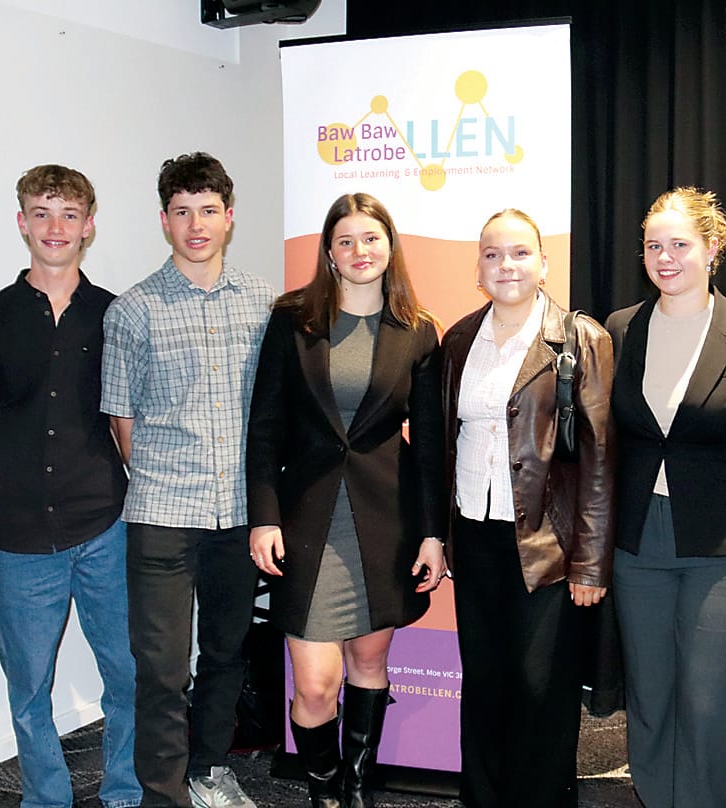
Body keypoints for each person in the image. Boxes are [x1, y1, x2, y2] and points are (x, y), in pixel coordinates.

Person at [246, 193, 446, 808]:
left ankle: (355, 791)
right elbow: (264, 428)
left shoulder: (418, 330)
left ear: (390, 246)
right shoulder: (293, 320)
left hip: (385, 521)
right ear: (330, 252)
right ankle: (324, 790)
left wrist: (433, 533)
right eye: (346, 240)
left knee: (368, 663)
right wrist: (264, 517)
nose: (360, 251)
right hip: (306, 521)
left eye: (371, 238)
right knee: (314, 684)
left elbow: (430, 446)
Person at [0, 165, 141, 808]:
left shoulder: (116, 315)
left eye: (68, 215)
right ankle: (46, 797)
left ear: (88, 225)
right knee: (29, 687)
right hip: (22, 536)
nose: (55, 227)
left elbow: (123, 420)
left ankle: (125, 788)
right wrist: (22, 482)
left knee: (130, 673)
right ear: (22, 223)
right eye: (41, 213)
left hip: (106, 526)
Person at [102, 152, 275, 808]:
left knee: (227, 653)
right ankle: (165, 796)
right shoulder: (132, 311)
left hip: (238, 515)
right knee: (162, 670)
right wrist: (164, 479)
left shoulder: (265, 303)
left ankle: (209, 772)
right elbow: (122, 422)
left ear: (229, 217)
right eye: (182, 212)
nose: (196, 225)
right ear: (164, 221)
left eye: (207, 210)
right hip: (162, 516)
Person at [604, 188, 726, 808]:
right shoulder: (620, 329)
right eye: (654, 245)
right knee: (649, 695)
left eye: (680, 244)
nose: (665, 257)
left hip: (724, 544)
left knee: (709, 700)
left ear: (713, 248)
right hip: (637, 539)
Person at [441, 209, 615, 808]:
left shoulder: (581, 339)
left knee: (542, 689)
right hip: (474, 535)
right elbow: (443, 442)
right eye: (492, 254)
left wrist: (590, 563)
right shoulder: (459, 339)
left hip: (547, 544)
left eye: (519, 253)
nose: (506, 265)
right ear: (478, 268)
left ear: (543, 263)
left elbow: (599, 458)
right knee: (484, 682)